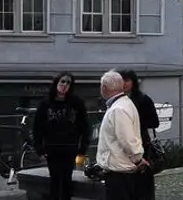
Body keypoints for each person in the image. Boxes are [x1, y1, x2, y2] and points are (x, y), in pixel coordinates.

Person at [33, 72, 91, 200]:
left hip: (69, 147)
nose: (65, 85)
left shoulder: (77, 103)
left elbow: (85, 127)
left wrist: (82, 149)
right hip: (51, 147)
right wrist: (39, 148)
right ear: (56, 83)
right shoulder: (45, 103)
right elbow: (37, 127)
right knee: (54, 179)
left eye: (68, 83)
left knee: (66, 180)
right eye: (62, 81)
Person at [96, 70, 147, 200]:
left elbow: (127, 139)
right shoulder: (125, 103)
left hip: (120, 170)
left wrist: (138, 159)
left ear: (104, 88)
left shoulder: (118, 109)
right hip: (121, 169)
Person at [119, 70, 160, 199]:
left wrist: (135, 121)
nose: (124, 84)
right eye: (122, 81)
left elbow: (154, 122)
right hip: (122, 144)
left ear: (133, 82)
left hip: (140, 141)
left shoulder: (143, 99)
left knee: (141, 178)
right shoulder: (117, 99)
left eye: (127, 80)